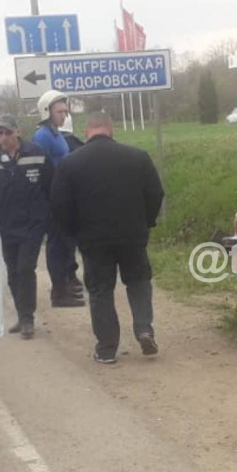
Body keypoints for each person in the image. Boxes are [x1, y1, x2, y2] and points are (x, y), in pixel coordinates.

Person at [51, 112, 165, 364]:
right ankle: (144, 329)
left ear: (86, 132)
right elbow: (155, 193)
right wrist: (145, 222)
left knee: (101, 290)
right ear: (111, 130)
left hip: (93, 239)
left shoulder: (70, 163)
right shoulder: (137, 157)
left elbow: (59, 204)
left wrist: (74, 231)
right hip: (132, 235)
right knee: (138, 282)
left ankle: (106, 348)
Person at [0, 115, 54, 339]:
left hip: (32, 226)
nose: (3, 137)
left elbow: (52, 187)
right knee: (13, 272)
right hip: (4, 228)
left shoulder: (36, 154)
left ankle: (27, 319)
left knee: (25, 268)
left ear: (17, 132)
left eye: (7, 132)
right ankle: (22, 313)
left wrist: (51, 219)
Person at [32, 89, 85, 308]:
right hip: (53, 197)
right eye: (59, 111)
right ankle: (58, 292)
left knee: (65, 245)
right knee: (56, 245)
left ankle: (65, 284)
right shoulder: (42, 136)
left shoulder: (55, 134)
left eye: (65, 111)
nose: (64, 115)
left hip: (63, 195)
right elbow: (41, 170)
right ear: (47, 112)